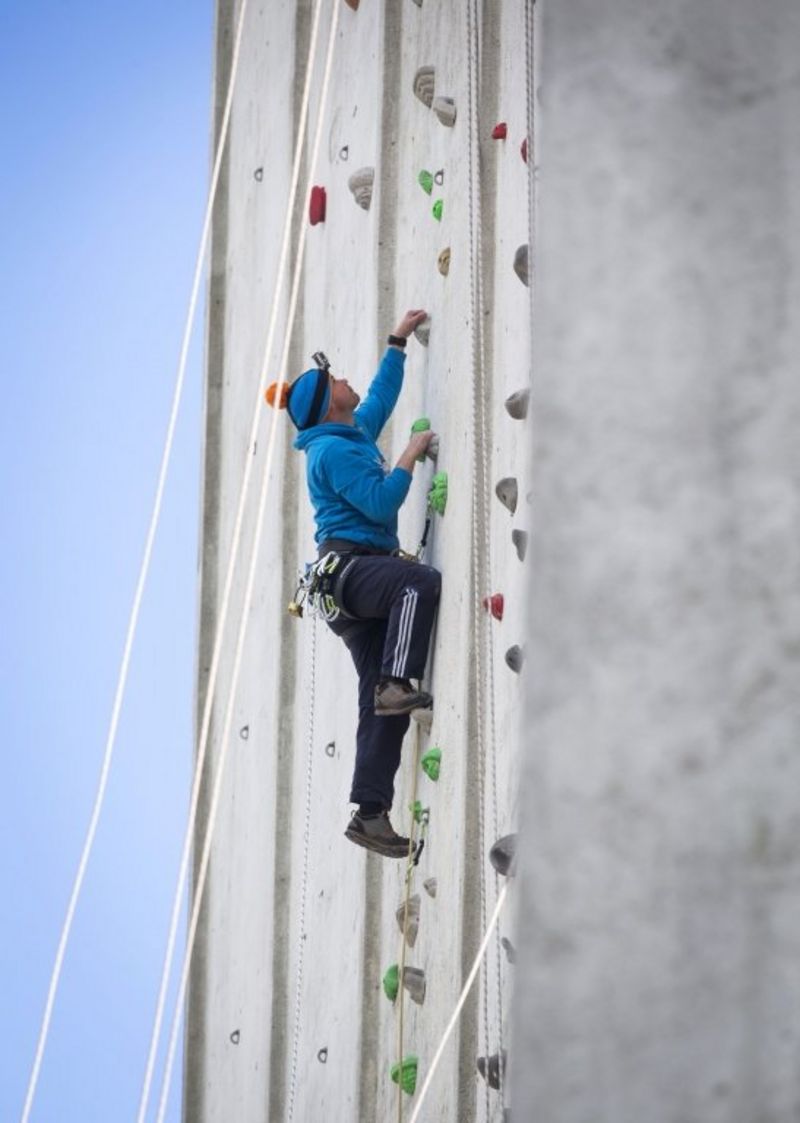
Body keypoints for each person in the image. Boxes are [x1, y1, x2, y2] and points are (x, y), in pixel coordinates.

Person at [266, 309, 441, 858]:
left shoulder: (348, 432)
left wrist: (398, 343)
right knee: (418, 584)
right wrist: (411, 456)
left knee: (379, 705)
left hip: (345, 584)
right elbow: (383, 501)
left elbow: (379, 402)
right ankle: (395, 683)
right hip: (350, 571)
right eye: (336, 380)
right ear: (327, 402)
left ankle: (370, 813)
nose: (345, 380)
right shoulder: (333, 450)